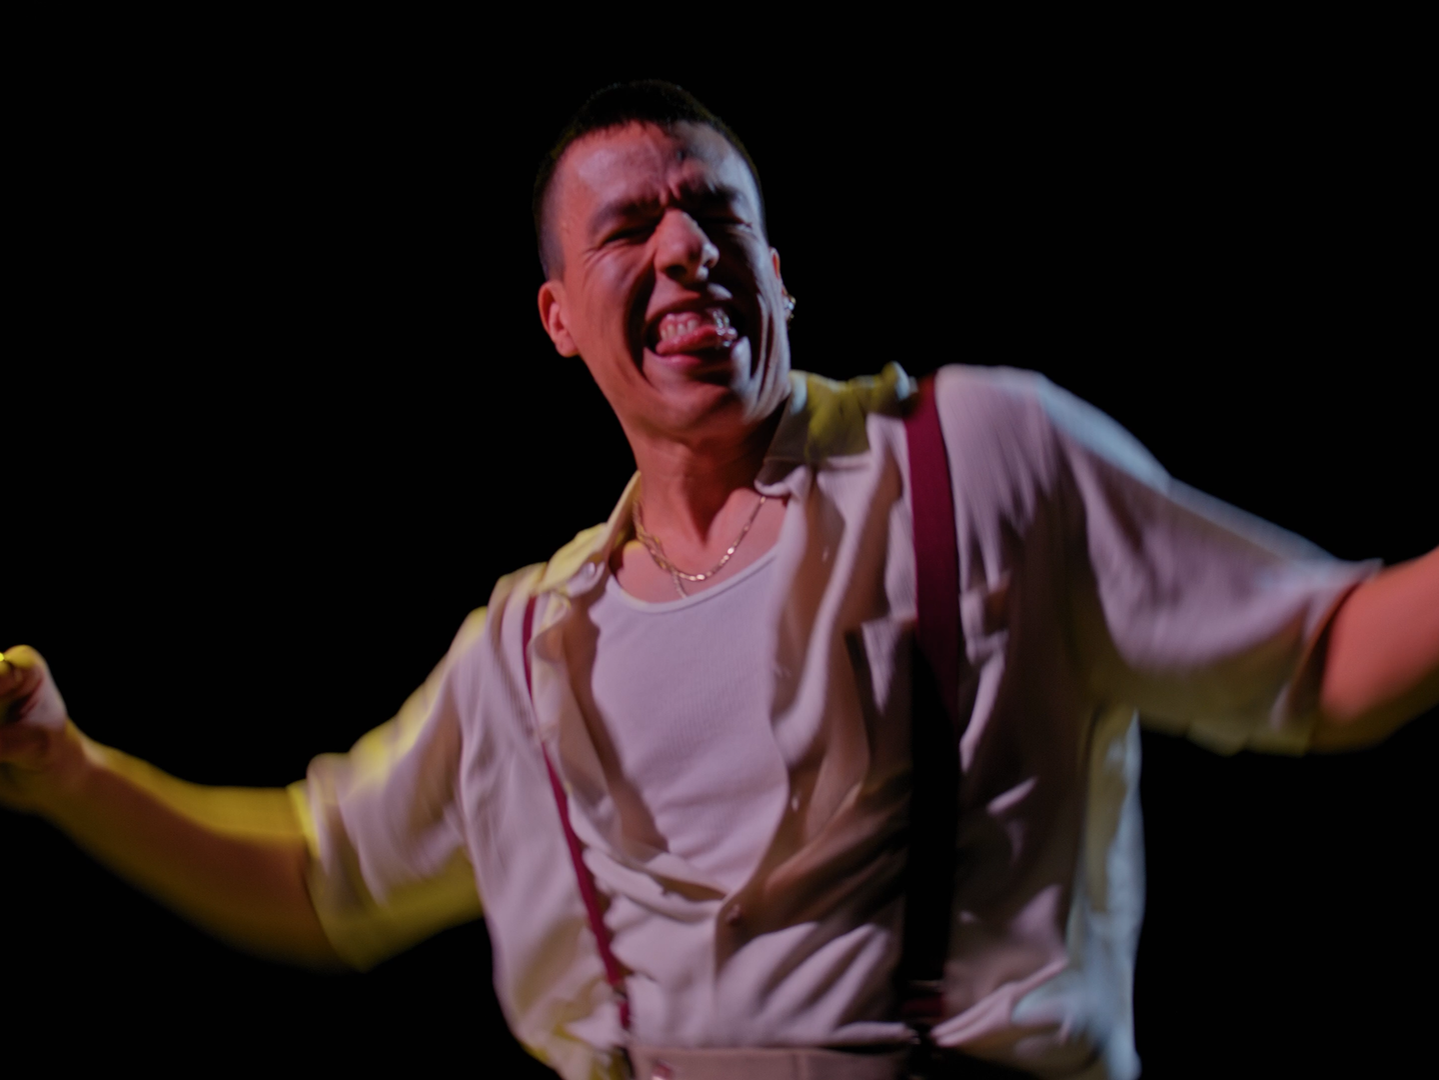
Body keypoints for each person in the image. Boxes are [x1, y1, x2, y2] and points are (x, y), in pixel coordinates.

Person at [3, 81, 1436, 1080]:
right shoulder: (531, 644)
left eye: (716, 216)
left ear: (777, 274)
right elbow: (324, 880)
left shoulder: (976, 459)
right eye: (630, 227)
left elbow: (1319, 660)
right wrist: (72, 774)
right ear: (559, 319)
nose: (685, 247)